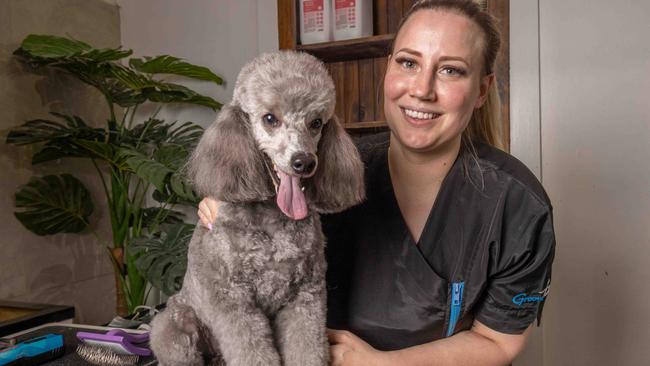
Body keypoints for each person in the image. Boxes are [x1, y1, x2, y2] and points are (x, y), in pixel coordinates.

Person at [198, 1, 556, 365]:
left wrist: (381, 364)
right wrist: (228, 207)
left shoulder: (517, 206)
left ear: (482, 91)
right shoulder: (316, 174)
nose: (422, 89)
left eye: (450, 70)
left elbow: (498, 342)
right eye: (408, 62)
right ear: (387, 70)